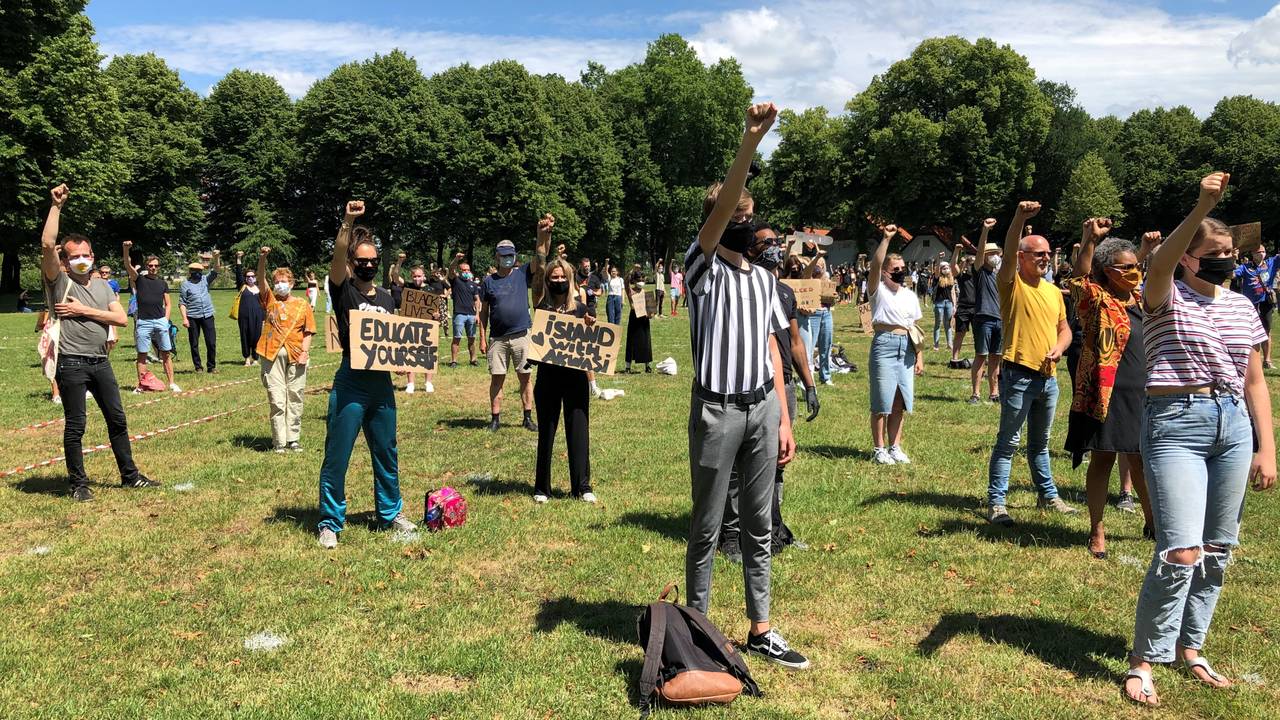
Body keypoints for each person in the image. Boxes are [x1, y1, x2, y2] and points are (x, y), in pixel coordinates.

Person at [1122, 172, 1276, 706]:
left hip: (1232, 425)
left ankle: (1191, 647)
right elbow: (1159, 264)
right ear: (1188, 256)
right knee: (1181, 550)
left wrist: (1267, 449)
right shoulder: (1166, 294)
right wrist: (1202, 206)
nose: (1225, 260)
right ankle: (1145, 659)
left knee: (1217, 548)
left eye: (1230, 252)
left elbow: (1255, 382)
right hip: (1176, 423)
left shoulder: (1241, 306)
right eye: (1214, 253)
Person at [685, 102, 807, 670]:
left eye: (750, 214)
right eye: (738, 212)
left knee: (760, 524)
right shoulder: (701, 268)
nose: (748, 221)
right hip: (716, 411)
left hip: (761, 408)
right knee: (707, 526)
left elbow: (770, 351)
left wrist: (782, 417)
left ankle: (761, 627)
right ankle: (699, 629)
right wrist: (749, 144)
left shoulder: (763, 280)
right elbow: (723, 209)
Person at [40, 184, 158, 501]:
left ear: (92, 257)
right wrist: (56, 207)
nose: (81, 260)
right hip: (71, 363)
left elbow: (120, 319)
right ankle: (78, 485)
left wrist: (83, 310)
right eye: (74, 256)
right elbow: (47, 243)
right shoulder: (58, 281)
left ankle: (130, 477)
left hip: (101, 362)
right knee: (76, 425)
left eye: (85, 255)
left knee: (117, 420)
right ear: (65, 260)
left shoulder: (103, 285)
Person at [316, 200, 417, 549]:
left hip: (381, 386)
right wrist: (347, 220)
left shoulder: (387, 298)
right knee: (338, 455)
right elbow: (337, 256)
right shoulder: (343, 289)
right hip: (351, 383)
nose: (369, 265)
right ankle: (330, 522)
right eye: (362, 260)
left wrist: (403, 358)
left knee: (386, 452)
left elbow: (393, 342)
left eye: (374, 260)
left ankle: (390, 513)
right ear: (351, 264)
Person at [719, 225, 820, 561]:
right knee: (738, 466)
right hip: (751, 386)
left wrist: (809, 384)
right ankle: (732, 532)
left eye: (778, 242)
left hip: (783, 384)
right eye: (767, 242)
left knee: (777, 462)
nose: (775, 247)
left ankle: (773, 527)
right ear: (751, 248)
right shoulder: (741, 286)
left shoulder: (785, 292)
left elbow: (795, 343)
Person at [1063, 218, 1153, 560]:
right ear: (1108, 271)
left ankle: (1152, 521)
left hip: (1142, 392)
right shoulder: (1096, 300)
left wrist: (1145, 250)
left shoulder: (1143, 300)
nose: (1134, 271)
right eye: (1126, 268)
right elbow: (1079, 279)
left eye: (1136, 266)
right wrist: (1089, 239)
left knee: (1141, 460)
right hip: (1105, 394)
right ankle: (1097, 530)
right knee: (1102, 459)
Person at [985, 201, 1077, 525]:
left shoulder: (1053, 292)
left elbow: (1065, 329)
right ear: (1022, 257)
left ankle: (1047, 496)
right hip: (1018, 375)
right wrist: (1018, 218)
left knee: (1040, 444)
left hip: (1048, 378)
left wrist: (1059, 348)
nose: (1046, 258)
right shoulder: (1011, 284)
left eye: (1048, 254)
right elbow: (1009, 251)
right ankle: (997, 503)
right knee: (1008, 442)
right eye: (1039, 253)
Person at [531, 251, 597, 504]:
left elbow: (590, 347)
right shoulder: (542, 308)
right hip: (548, 378)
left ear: (570, 280)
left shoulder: (581, 309)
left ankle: (582, 486)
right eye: (554, 277)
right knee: (546, 432)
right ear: (548, 281)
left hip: (575, 379)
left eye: (562, 277)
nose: (558, 281)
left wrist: (590, 326)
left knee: (578, 431)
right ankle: (541, 487)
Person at [479, 219, 550, 433]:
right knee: (497, 379)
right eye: (503, 255)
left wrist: (542, 234)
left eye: (510, 255)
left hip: (521, 335)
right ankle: (495, 419)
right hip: (497, 338)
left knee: (525, 378)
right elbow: (483, 312)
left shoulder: (522, 273)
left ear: (515, 256)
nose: (507, 258)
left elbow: (541, 256)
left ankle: (527, 417)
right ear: (497, 257)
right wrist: (482, 337)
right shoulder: (488, 282)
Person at [867, 224, 924, 465]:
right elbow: (874, 265)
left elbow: (915, 328)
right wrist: (886, 239)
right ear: (885, 272)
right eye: (895, 269)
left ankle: (895, 446)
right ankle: (879, 448)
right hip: (884, 344)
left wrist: (919, 357)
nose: (900, 272)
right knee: (882, 401)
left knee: (900, 401)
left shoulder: (910, 295)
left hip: (906, 346)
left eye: (902, 268)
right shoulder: (877, 291)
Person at [255, 247, 315, 453]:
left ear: (292, 283)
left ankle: (293, 439)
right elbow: (260, 279)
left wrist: (305, 352)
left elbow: (308, 331)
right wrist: (262, 258)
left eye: (284, 281)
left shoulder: (302, 304)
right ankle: (279, 442)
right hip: (271, 355)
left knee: (295, 396)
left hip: (297, 356)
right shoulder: (269, 300)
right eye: (277, 281)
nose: (280, 284)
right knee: (277, 398)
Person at [122, 242, 179, 392]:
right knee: (142, 355)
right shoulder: (139, 279)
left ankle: (172, 383)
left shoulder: (162, 283)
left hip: (160, 321)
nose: (153, 267)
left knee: (166, 353)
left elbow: (168, 304)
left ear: (158, 267)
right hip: (143, 322)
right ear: (147, 266)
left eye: (156, 265)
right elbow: (127, 265)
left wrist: (166, 320)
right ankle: (141, 385)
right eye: (151, 265)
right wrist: (126, 250)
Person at [387, 256, 438, 394]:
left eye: (419, 276)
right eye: (414, 276)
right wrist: (399, 262)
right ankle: (410, 383)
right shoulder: (408, 286)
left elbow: (436, 309)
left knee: (428, 353)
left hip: (426, 326)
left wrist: (436, 315)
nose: (416, 279)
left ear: (424, 276)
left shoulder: (431, 289)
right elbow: (395, 276)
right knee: (410, 353)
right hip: (410, 326)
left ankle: (428, 382)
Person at [964, 219, 1002, 401]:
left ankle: (994, 392)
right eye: (992, 254)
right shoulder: (979, 271)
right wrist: (985, 231)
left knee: (996, 357)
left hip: (1000, 319)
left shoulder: (999, 275)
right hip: (983, 318)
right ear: (985, 256)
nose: (995, 256)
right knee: (981, 356)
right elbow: (979, 252)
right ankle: (976, 393)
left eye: (997, 253)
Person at [1233, 244, 1276, 369]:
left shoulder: (1271, 263)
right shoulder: (1245, 267)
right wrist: (1233, 258)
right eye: (1258, 252)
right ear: (1252, 254)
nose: (1262, 254)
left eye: (1263, 251)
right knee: (1250, 332)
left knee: (1267, 330)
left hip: (1266, 301)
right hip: (1250, 304)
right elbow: (1232, 275)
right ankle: (1251, 360)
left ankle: (1267, 360)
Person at [179, 251, 221, 373]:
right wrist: (184, 318)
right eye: (194, 271)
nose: (197, 273)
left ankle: (211, 366)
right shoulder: (185, 285)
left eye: (199, 271)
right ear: (190, 272)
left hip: (207, 315)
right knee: (194, 343)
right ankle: (198, 366)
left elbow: (216, 270)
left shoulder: (205, 280)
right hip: (192, 316)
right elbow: (182, 303)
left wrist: (216, 257)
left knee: (211, 342)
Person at [448, 252, 482, 367]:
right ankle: (454, 361)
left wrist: (477, 314)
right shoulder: (456, 281)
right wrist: (456, 259)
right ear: (459, 271)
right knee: (456, 339)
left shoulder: (473, 284)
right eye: (464, 270)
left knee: (472, 339)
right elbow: (451, 269)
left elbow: (477, 299)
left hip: (471, 315)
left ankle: (473, 359)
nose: (466, 272)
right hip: (459, 314)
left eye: (468, 270)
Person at [233, 251, 265, 366]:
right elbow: (238, 273)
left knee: (257, 337)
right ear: (245, 278)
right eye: (248, 276)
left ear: (255, 277)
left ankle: (255, 358)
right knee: (245, 336)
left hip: (258, 316)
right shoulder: (243, 287)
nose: (250, 278)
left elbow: (264, 304)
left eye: (252, 276)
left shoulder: (260, 288)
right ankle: (247, 358)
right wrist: (238, 259)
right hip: (244, 317)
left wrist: (264, 318)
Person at [624, 264, 654, 373]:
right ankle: (628, 367)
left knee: (646, 342)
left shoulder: (646, 293)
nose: (641, 281)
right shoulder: (631, 291)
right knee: (631, 342)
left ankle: (648, 366)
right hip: (634, 318)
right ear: (635, 281)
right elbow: (625, 282)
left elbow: (651, 312)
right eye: (639, 280)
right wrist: (632, 270)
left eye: (642, 279)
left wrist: (650, 314)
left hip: (644, 320)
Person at [932, 261, 957, 351]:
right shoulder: (937, 277)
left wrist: (954, 305)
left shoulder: (951, 278)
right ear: (940, 269)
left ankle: (949, 344)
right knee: (938, 323)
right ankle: (936, 345)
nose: (946, 269)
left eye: (947, 268)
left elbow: (953, 292)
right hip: (939, 303)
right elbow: (936, 271)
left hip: (949, 303)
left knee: (948, 324)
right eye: (944, 268)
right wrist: (939, 259)